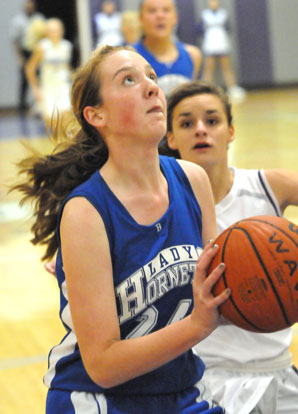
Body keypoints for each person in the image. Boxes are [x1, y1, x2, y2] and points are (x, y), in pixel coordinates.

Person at [12, 45, 231, 413]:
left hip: (181, 390)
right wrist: (196, 326)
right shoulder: (86, 212)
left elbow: (222, 291)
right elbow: (103, 366)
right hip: (99, 399)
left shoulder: (193, 180)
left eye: (151, 77)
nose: (150, 88)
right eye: (128, 80)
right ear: (96, 115)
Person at [160, 79, 298, 414]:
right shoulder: (159, 207)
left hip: (278, 372)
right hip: (203, 378)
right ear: (171, 139)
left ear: (231, 131)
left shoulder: (268, 186)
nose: (201, 130)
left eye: (212, 120)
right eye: (186, 123)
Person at [134, 0, 202, 97]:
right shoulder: (131, 56)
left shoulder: (193, 55)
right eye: (152, 11)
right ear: (140, 18)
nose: (160, 16)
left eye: (166, 10)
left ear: (176, 17)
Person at [25, 18, 73, 131]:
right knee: (53, 122)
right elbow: (30, 69)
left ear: (62, 31)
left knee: (66, 117)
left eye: (56, 30)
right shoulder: (42, 47)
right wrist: (35, 88)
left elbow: (67, 67)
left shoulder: (67, 46)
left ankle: (68, 146)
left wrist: (75, 82)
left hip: (63, 86)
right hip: (48, 88)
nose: (54, 33)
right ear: (47, 32)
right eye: (51, 30)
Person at [198, 0, 246, 104]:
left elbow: (229, 28)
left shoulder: (223, 14)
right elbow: (199, 29)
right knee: (209, 67)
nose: (213, 3)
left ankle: (232, 88)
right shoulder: (205, 14)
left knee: (226, 66)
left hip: (222, 41)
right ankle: (204, 88)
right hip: (210, 42)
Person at [9, 0, 45, 113]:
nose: (29, 8)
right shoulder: (18, 21)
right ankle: (22, 105)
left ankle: (39, 105)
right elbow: (15, 41)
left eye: (31, 6)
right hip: (25, 52)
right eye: (27, 6)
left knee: (40, 79)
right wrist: (20, 58)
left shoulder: (39, 18)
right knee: (24, 80)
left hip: (37, 51)